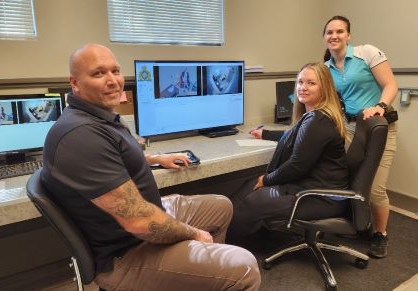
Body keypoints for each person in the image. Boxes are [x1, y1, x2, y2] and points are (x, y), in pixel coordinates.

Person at [41, 43, 261, 291]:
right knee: (246, 268)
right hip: (126, 253)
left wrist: (156, 158)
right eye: (98, 73)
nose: (113, 80)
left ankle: (203, 279)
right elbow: (140, 222)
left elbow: (111, 158)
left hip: (140, 223)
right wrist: (194, 234)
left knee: (221, 207)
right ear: (75, 82)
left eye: (115, 71)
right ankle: (213, 272)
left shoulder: (95, 117)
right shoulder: (80, 135)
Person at [227, 63, 349, 240]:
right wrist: (266, 133)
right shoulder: (316, 116)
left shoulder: (318, 121)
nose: (303, 88)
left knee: (252, 200)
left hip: (321, 197)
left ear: (325, 88)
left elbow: (297, 166)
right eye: (300, 82)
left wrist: (266, 179)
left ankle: (221, 243)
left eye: (311, 83)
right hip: (312, 187)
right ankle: (219, 231)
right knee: (250, 184)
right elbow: (297, 135)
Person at [323, 15, 398, 258]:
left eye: (339, 31)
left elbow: (390, 85)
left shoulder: (367, 53)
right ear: (324, 37)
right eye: (329, 32)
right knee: (352, 179)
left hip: (379, 125)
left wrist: (380, 106)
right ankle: (360, 224)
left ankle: (380, 234)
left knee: (375, 188)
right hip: (352, 128)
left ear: (348, 35)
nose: (334, 36)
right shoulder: (326, 68)